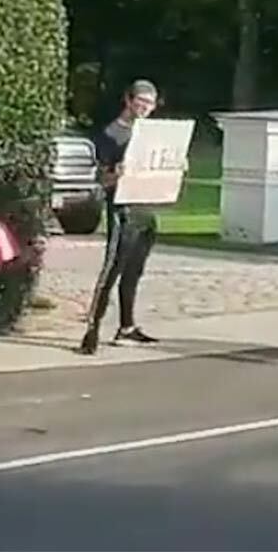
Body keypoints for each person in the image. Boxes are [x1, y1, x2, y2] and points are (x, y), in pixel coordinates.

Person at [79, 79, 162, 355]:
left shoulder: (152, 135)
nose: (145, 108)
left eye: (150, 103)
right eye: (141, 101)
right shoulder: (110, 134)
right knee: (111, 270)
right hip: (122, 210)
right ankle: (92, 329)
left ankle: (126, 327)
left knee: (134, 272)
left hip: (145, 210)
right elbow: (101, 179)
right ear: (128, 100)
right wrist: (117, 173)